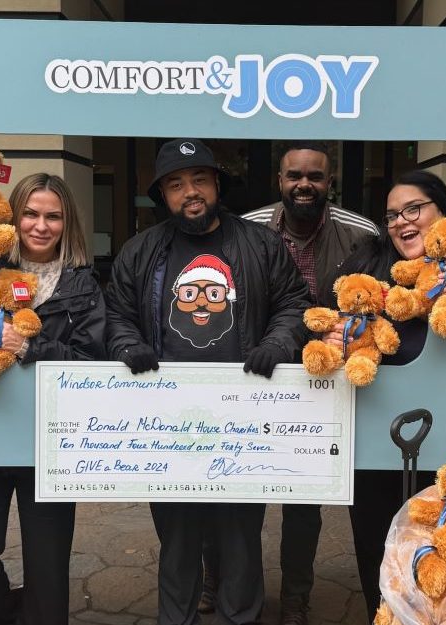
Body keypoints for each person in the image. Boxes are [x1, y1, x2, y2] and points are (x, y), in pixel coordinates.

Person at [104, 138, 311, 625]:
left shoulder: (261, 244)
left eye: (199, 180)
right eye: (176, 184)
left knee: (240, 534)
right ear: (164, 196)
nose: (189, 192)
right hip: (167, 421)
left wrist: (280, 344)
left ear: (217, 184)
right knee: (177, 537)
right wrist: (125, 345)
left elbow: (294, 303)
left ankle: (242, 616)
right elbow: (117, 312)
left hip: (245, 419)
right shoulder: (142, 251)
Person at [196, 142, 375, 625]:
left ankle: (296, 596)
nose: (304, 185)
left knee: (303, 500)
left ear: (329, 182)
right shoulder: (245, 227)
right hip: (254, 372)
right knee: (228, 486)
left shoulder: (361, 234)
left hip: (323, 382)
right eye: (294, 175)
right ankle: (217, 581)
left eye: (315, 176)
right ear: (279, 180)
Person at [0, 173, 106, 625]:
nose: (41, 225)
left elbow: (93, 362)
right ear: (14, 216)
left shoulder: (84, 286)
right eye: (31, 213)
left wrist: (31, 348)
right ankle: (9, 613)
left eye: (53, 216)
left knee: (49, 577)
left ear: (66, 223)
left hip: (49, 443)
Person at [327, 170, 446, 622]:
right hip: (375, 444)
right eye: (393, 214)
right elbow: (329, 321)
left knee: (443, 559)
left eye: (414, 208)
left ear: (444, 211)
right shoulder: (368, 265)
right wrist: (337, 335)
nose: (401, 222)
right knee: (377, 552)